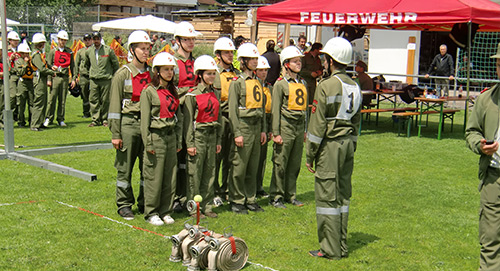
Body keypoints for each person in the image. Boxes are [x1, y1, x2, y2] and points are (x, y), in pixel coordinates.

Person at [305, 37, 362, 260]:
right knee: (342, 197)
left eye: (325, 59)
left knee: (327, 199)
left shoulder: (326, 86)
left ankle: (329, 249)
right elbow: (357, 120)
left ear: (330, 60)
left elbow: (317, 125)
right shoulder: (354, 86)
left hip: (330, 147)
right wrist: (353, 144)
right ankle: (342, 245)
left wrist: (310, 155)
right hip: (348, 144)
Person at [108, 30, 152, 220]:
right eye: (142, 48)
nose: (145, 52)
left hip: (147, 126)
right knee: (125, 167)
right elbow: (114, 107)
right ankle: (124, 204)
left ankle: (144, 202)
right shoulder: (122, 74)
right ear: (132, 50)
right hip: (128, 125)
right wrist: (116, 133)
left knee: (147, 166)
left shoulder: (152, 74)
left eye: (148, 48)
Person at [465, 42, 500, 271]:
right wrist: (480, 144)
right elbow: (471, 131)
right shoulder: (486, 100)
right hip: (493, 179)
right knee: (490, 238)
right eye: (498, 63)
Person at [140, 52, 182, 226]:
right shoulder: (149, 92)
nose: (169, 73)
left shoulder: (173, 90)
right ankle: (151, 211)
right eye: (166, 69)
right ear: (157, 71)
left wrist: (179, 140)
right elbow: (144, 122)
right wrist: (148, 142)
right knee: (154, 176)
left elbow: (178, 117)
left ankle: (166, 210)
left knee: (170, 175)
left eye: (171, 69)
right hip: (156, 137)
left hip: (171, 136)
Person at [228, 42, 267, 214]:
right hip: (243, 126)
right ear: (242, 61)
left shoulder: (258, 81)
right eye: (251, 58)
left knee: (253, 165)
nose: (254, 61)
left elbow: (262, 108)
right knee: (240, 166)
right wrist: (237, 132)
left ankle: (250, 198)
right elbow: (233, 110)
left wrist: (264, 129)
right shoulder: (237, 82)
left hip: (256, 126)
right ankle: (236, 200)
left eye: (255, 58)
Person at [184, 55, 222, 218]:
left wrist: (218, 140)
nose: (212, 77)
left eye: (214, 73)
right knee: (195, 173)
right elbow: (187, 122)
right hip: (198, 136)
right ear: (199, 74)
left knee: (210, 172)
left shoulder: (215, 93)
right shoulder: (191, 95)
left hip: (212, 136)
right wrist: (190, 143)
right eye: (208, 73)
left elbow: (219, 118)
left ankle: (207, 206)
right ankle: (193, 207)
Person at [269, 46, 307, 209]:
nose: (299, 64)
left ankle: (290, 194)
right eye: (295, 61)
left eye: (299, 61)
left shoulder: (303, 82)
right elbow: (275, 109)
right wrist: (276, 133)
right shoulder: (280, 84)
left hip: (299, 127)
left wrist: (305, 130)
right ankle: (275, 196)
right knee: (280, 162)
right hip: (285, 126)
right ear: (286, 64)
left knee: (294, 163)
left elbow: (305, 108)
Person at [172, 21, 202, 212]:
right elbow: (170, 89)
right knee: (177, 154)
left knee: (189, 157)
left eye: (192, 39)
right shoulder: (172, 62)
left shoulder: (195, 62)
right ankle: (174, 197)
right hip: (179, 112)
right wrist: (189, 92)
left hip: (195, 114)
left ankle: (185, 195)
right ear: (178, 41)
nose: (191, 43)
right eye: (186, 39)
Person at [213, 37, 238, 203]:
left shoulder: (236, 74)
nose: (230, 55)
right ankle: (214, 191)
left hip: (234, 118)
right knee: (216, 157)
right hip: (220, 117)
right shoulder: (213, 73)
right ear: (218, 54)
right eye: (226, 52)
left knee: (231, 156)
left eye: (231, 52)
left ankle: (226, 189)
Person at [84, 31, 119, 127]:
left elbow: (115, 64)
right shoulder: (88, 51)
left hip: (106, 79)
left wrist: (114, 75)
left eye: (97, 39)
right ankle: (95, 120)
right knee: (93, 100)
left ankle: (105, 119)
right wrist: (91, 73)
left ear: (100, 39)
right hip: (94, 79)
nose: (96, 41)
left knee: (105, 100)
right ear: (92, 40)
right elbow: (86, 64)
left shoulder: (108, 50)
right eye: (94, 39)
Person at [44, 30, 75, 127]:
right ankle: (49, 117)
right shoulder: (53, 51)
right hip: (55, 77)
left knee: (62, 100)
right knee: (52, 99)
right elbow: (48, 66)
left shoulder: (69, 52)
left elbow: (72, 66)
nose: (62, 42)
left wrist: (73, 78)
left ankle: (60, 118)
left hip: (65, 78)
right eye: (61, 40)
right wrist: (49, 79)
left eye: (64, 40)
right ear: (58, 40)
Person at [255, 56, 272, 198]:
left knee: (262, 158)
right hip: (255, 123)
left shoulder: (269, 87)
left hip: (266, 123)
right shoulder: (253, 86)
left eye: (265, 70)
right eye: (260, 70)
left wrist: (270, 129)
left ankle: (259, 186)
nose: (263, 73)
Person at [30, 33, 53, 131]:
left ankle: (40, 122)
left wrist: (51, 68)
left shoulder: (40, 55)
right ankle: (35, 124)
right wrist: (52, 72)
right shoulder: (36, 55)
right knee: (39, 102)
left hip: (42, 80)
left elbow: (46, 65)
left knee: (43, 101)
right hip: (39, 80)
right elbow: (42, 69)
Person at [14, 43, 36, 128]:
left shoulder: (30, 60)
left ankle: (32, 120)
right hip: (22, 83)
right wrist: (26, 64)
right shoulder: (18, 61)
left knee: (31, 102)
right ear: (21, 53)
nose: (27, 55)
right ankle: (21, 121)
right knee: (21, 103)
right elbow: (20, 72)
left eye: (28, 53)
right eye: (25, 53)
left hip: (30, 82)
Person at [299, 42, 323, 111]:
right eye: (319, 50)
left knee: (312, 102)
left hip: (313, 84)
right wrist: (310, 73)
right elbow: (300, 70)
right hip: (305, 83)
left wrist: (320, 72)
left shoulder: (318, 59)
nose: (320, 52)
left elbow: (321, 69)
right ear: (315, 50)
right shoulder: (305, 57)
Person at [74, 33, 93, 118]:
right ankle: (86, 112)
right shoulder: (80, 52)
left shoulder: (95, 50)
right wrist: (75, 77)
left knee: (94, 95)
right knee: (85, 95)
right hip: (84, 76)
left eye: (89, 39)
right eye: (86, 40)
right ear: (83, 41)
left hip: (94, 76)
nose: (88, 41)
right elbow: (76, 64)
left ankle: (95, 113)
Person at [7, 31, 20, 123]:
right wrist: (10, 59)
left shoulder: (20, 50)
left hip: (19, 75)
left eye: (17, 40)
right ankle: (8, 114)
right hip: (11, 75)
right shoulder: (6, 51)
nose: (15, 42)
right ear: (9, 41)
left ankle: (16, 115)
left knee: (19, 97)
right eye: (14, 40)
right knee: (12, 96)